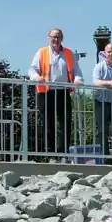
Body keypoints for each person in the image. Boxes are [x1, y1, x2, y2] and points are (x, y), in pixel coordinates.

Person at [27, 28, 83, 161]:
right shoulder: (42, 52)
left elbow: (77, 71)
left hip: (63, 92)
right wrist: (36, 77)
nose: (55, 39)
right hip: (46, 91)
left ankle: (64, 154)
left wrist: (77, 79)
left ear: (62, 39)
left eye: (58, 37)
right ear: (49, 38)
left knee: (66, 123)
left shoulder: (69, 53)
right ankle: (52, 155)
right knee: (48, 123)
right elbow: (32, 69)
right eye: (53, 37)